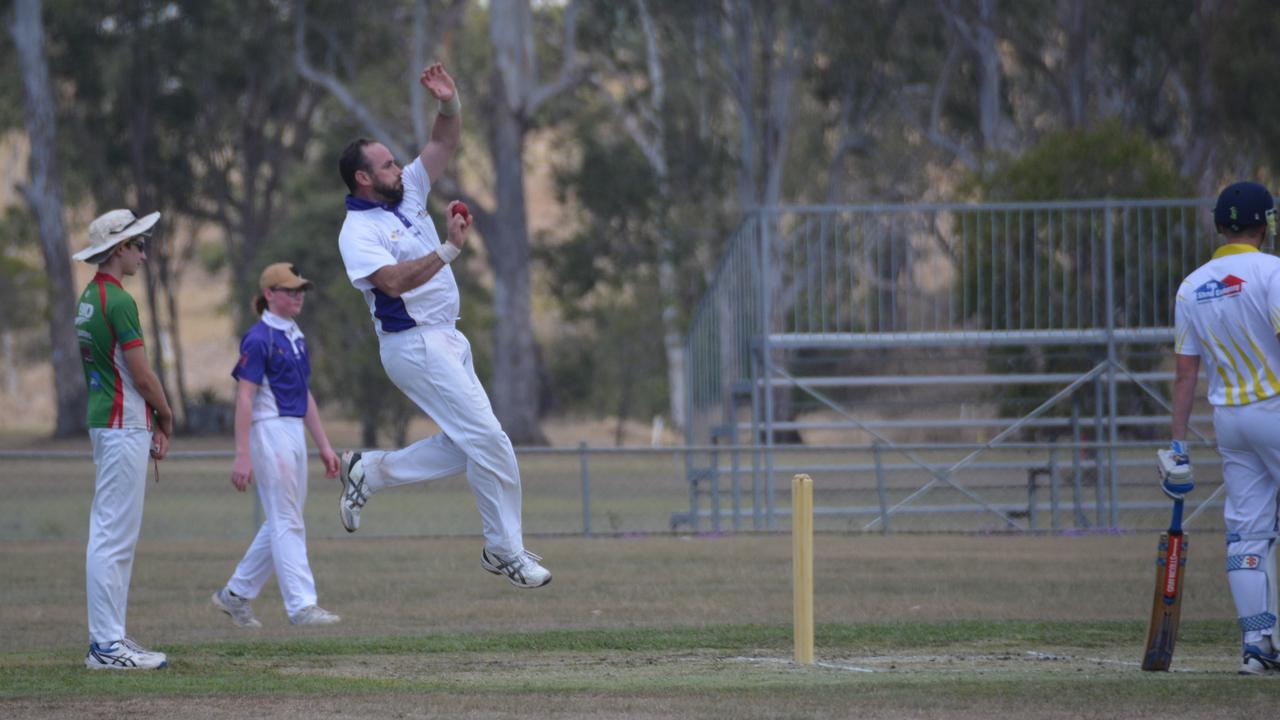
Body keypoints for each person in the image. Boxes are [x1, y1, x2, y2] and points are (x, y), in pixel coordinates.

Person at [334, 62, 550, 589]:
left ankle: (372, 471)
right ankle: (504, 551)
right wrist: (449, 249)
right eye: (386, 165)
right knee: (493, 442)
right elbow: (392, 283)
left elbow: (443, 142)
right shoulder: (357, 231)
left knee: (465, 443)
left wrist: (449, 102)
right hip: (412, 346)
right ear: (364, 178)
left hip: (446, 338)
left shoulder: (405, 192)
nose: (398, 168)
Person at [1170, 181, 1280, 675]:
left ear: (1219, 225)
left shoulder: (1192, 286)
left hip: (1230, 421)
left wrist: (1176, 444)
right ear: (1266, 224)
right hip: (1275, 408)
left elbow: (1185, 372)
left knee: (1246, 535)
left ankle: (1256, 646)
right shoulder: (1272, 272)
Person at [211, 263, 343, 627]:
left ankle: (235, 595)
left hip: (293, 431)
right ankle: (302, 606)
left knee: (284, 520)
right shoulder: (259, 338)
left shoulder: (296, 336)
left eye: (300, 289)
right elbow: (244, 399)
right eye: (290, 290)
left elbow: (305, 395)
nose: (298, 295)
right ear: (269, 294)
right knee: (287, 520)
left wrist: (325, 447)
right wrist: (242, 455)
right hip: (269, 432)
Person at [73, 209, 174, 670]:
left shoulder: (89, 297)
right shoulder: (118, 300)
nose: (143, 253)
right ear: (118, 249)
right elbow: (142, 374)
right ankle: (106, 646)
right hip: (122, 423)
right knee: (113, 537)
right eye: (137, 244)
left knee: (112, 535)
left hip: (107, 421)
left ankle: (112, 638)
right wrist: (166, 415)